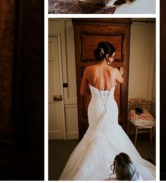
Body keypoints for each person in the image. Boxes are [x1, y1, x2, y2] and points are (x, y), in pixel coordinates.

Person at [59, 43, 155, 180]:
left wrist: (94, 90)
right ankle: (120, 166)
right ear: (107, 56)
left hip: (95, 106)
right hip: (110, 107)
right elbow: (122, 81)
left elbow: (81, 92)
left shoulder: (88, 69)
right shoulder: (114, 71)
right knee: (112, 132)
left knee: (94, 133)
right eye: (113, 57)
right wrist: (120, 73)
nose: (113, 59)